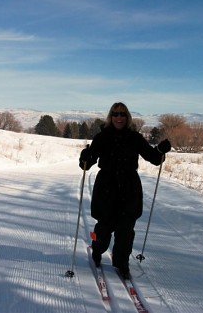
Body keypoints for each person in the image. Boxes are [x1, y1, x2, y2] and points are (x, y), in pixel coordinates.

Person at [79, 102, 171, 279]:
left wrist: (160, 150)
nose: (119, 117)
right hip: (106, 187)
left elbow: (153, 158)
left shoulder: (135, 137)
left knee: (126, 230)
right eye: (115, 114)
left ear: (127, 117)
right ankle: (97, 251)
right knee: (104, 229)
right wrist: (85, 157)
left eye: (122, 114)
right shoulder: (102, 137)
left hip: (129, 188)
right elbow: (87, 164)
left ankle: (122, 264)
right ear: (110, 117)